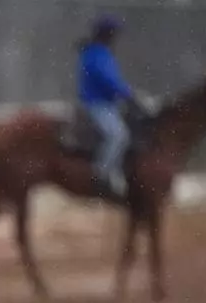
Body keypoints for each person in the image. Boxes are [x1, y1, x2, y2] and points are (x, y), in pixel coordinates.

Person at [77, 14, 138, 198]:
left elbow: (112, 80)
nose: (115, 37)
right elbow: (108, 80)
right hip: (97, 104)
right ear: (105, 34)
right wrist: (127, 94)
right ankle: (101, 174)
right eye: (113, 33)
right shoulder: (96, 54)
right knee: (118, 136)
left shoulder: (101, 53)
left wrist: (128, 93)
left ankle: (117, 172)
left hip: (108, 103)